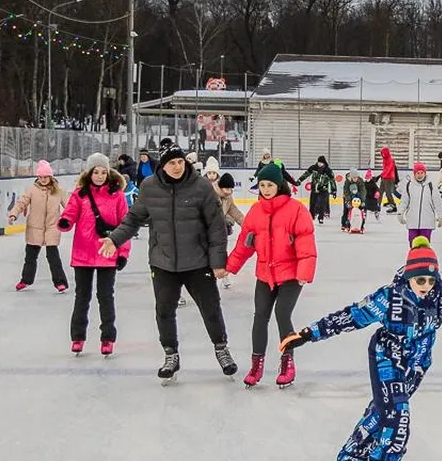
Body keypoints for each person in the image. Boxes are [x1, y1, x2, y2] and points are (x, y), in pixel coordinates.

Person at [277, 236, 442, 460]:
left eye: (431, 280)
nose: (426, 286)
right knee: (397, 422)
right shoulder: (390, 297)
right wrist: (308, 334)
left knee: (381, 414)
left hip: (416, 366)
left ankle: (351, 455)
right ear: (410, 276)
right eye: (420, 280)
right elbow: (351, 316)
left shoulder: (441, 297)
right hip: (387, 360)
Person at [99, 140, 237, 383]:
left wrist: (217, 262)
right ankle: (170, 354)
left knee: (211, 308)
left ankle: (221, 347)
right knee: (164, 311)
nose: (177, 167)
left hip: (198, 262)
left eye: (180, 161)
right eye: (172, 163)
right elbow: (133, 219)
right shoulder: (150, 187)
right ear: (162, 165)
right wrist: (114, 239)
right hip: (163, 262)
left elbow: (216, 227)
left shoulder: (201, 187)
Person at [225, 163, 317, 388]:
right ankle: (256, 365)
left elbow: (306, 243)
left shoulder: (296, 210)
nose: (266, 189)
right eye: (262, 185)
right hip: (265, 274)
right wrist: (229, 267)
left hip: (291, 275)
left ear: (279, 185)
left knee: (282, 313)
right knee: (260, 316)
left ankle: (287, 362)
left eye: (270, 185)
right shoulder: (256, 212)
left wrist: (304, 273)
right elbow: (244, 244)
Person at [58, 153, 130, 355]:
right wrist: (65, 221)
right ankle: (78, 336)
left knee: (105, 296)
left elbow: (125, 225)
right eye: (96, 172)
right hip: (83, 253)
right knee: (82, 296)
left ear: (109, 173)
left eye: (103, 172)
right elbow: (70, 213)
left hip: (107, 251)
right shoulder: (80, 194)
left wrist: (122, 252)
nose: (99, 176)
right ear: (89, 173)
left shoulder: (117, 195)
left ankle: (107, 337)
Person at [8, 160, 70, 292]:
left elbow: (70, 207)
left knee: (53, 256)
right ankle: (26, 280)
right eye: (40, 177)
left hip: (52, 227)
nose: (43, 179)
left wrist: (75, 218)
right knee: (30, 257)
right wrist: (13, 214)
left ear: (50, 177)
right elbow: (21, 203)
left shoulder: (58, 191)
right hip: (34, 228)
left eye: (45, 176)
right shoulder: (32, 190)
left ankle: (60, 282)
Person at [398, 162, 442, 246]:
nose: (420, 175)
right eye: (417, 173)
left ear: (425, 173)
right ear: (414, 174)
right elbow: (404, 201)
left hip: (427, 222)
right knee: (413, 244)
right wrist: (400, 213)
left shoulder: (431, 185)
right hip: (412, 221)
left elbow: (437, 202)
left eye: (421, 173)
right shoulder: (409, 185)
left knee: (424, 245)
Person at [297, 155, 337, 223]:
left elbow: (332, 181)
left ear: (324, 163)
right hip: (314, 188)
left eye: (321, 163)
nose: (319, 164)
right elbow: (306, 174)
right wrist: (299, 180)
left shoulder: (328, 170)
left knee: (322, 203)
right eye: (318, 162)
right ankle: (311, 216)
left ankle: (320, 218)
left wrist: (334, 190)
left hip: (323, 189)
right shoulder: (313, 168)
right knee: (312, 203)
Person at [379, 147, 399, 213]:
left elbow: (388, 170)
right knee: (380, 192)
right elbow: (384, 169)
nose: (383, 155)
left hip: (389, 179)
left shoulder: (390, 160)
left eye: (384, 153)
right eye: (382, 154)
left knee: (388, 193)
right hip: (384, 178)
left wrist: (381, 175)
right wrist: (381, 176)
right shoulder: (384, 159)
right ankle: (377, 205)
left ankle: (393, 206)